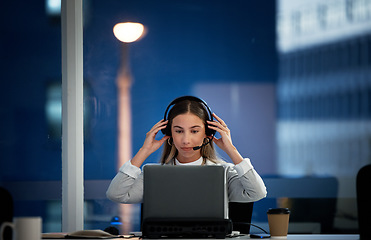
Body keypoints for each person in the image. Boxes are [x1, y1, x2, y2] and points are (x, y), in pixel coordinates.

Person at [106, 96, 267, 204]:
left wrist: (231, 150)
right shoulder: (155, 175)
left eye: (194, 131)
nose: (185, 140)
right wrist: (144, 151)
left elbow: (257, 193)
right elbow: (115, 194)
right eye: (178, 130)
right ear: (169, 133)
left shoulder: (224, 172)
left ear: (207, 134)